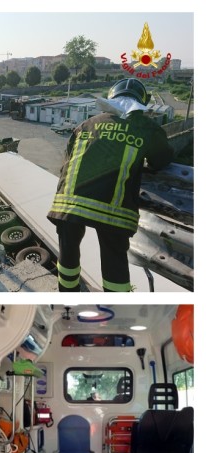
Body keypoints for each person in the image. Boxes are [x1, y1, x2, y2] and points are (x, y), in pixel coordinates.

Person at [48, 77, 173, 292]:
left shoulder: (86, 124)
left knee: (68, 257)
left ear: (111, 98)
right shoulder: (146, 128)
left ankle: (67, 296)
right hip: (113, 211)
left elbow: (67, 159)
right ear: (141, 102)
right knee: (114, 264)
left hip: (67, 204)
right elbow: (162, 159)